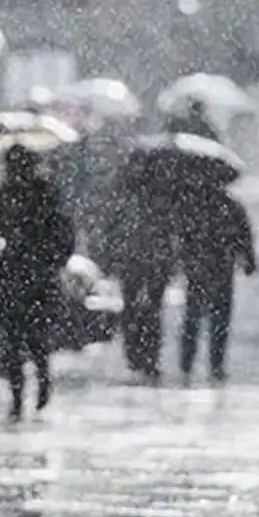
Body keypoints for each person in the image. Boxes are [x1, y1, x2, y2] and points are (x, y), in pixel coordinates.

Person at [0, 145, 74, 420]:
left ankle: (37, 386)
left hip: (31, 274)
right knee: (18, 341)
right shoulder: (6, 193)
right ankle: (21, 395)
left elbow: (61, 233)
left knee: (29, 339)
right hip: (19, 273)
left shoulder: (44, 193)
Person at [103, 149, 177, 380]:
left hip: (136, 260)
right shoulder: (162, 195)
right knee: (150, 310)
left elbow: (111, 228)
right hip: (150, 260)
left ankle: (137, 354)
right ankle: (147, 356)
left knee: (134, 308)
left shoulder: (125, 193)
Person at [176, 182, 256, 381]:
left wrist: (185, 259)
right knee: (219, 318)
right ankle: (216, 364)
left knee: (193, 318)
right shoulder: (231, 206)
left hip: (199, 270)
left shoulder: (194, 206)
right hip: (221, 269)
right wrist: (248, 261)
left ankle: (187, 363)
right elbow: (244, 237)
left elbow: (183, 237)